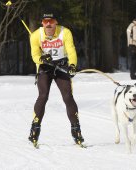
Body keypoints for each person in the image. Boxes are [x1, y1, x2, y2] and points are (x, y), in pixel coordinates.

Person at [28, 9, 84, 147]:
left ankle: (76, 130)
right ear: (42, 23)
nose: (48, 25)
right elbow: (34, 55)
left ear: (56, 23)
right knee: (43, 96)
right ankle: (34, 129)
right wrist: (42, 58)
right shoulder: (36, 35)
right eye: (45, 22)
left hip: (61, 66)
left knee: (67, 97)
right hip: (45, 67)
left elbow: (71, 50)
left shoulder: (65, 32)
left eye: (51, 22)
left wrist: (72, 66)